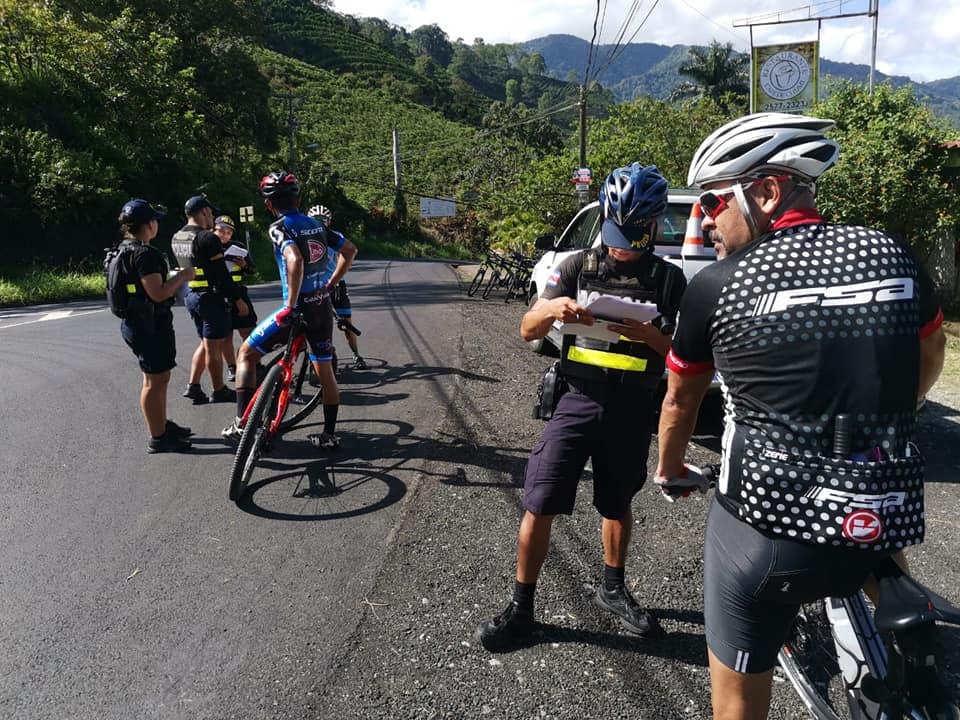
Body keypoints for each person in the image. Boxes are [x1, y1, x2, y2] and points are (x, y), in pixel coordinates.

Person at [653, 112, 948, 720]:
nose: (701, 217)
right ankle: (910, 635)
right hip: (885, 510)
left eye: (711, 200)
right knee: (870, 524)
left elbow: (681, 400)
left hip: (768, 530)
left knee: (735, 694)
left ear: (765, 190)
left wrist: (670, 468)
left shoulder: (716, 285)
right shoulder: (891, 252)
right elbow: (930, 353)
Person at [475, 163, 687, 652]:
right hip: (576, 400)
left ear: (652, 228)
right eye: (614, 234)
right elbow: (528, 329)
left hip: (633, 409)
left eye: (632, 237)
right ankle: (521, 607)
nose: (621, 246)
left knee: (617, 501)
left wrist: (653, 336)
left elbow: (688, 360)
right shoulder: (576, 267)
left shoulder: (670, 280)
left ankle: (613, 588)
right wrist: (550, 309)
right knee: (540, 498)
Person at [222, 171, 357, 450]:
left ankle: (241, 425)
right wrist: (330, 283)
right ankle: (329, 435)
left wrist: (290, 305)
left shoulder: (279, 227)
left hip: (297, 309)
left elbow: (293, 258)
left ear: (269, 205)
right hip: (321, 305)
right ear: (299, 198)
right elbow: (350, 249)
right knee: (325, 371)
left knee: (246, 354)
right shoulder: (318, 225)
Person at [113, 199, 196, 453]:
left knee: (159, 377)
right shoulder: (144, 254)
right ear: (149, 224)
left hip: (138, 323)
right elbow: (157, 293)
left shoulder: (125, 248)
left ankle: (160, 425)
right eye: (155, 220)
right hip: (148, 325)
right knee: (153, 381)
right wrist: (182, 276)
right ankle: (158, 437)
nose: (156, 224)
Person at [171, 195, 247, 404]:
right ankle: (219, 389)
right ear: (203, 212)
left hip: (191, 295)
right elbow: (220, 274)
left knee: (205, 343)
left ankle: (194, 386)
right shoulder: (207, 238)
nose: (212, 216)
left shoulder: (177, 236)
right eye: (211, 212)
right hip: (210, 297)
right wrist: (237, 299)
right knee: (214, 347)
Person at [307, 204, 367, 370]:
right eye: (315, 220)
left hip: (334, 285)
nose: (319, 223)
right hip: (312, 286)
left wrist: (334, 280)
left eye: (323, 220)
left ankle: (356, 355)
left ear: (329, 222)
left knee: (346, 321)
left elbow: (346, 255)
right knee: (312, 325)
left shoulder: (335, 236)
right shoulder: (304, 238)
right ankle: (315, 360)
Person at [212, 214, 258, 381]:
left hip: (239, 292)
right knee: (226, 336)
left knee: (248, 330)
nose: (224, 235)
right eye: (221, 231)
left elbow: (253, 270)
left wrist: (244, 265)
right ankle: (232, 367)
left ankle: (252, 360)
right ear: (213, 230)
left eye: (228, 232)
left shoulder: (238, 247)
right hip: (220, 295)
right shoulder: (209, 246)